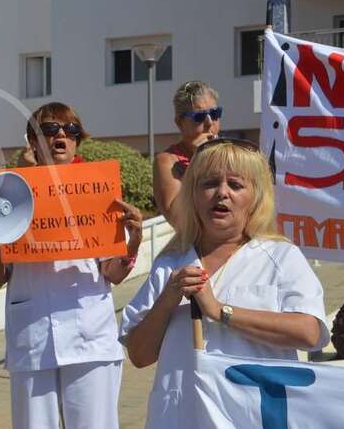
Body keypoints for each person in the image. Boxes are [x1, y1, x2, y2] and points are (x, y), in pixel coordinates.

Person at [121, 138, 329, 429]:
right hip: (182, 417)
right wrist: (168, 300)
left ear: (255, 196)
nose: (221, 193)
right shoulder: (170, 262)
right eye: (209, 184)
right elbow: (140, 355)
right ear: (192, 194)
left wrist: (221, 312)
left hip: (254, 417)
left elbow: (310, 333)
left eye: (236, 185)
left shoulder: (281, 257)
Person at [0, 102, 143, 429]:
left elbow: (113, 273)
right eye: (50, 129)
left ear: (76, 142)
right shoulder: (9, 196)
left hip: (90, 335)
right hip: (33, 338)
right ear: (32, 141)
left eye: (70, 131)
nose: (61, 136)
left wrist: (135, 239)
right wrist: (2, 235)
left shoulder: (98, 193)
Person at [153, 81, 222, 226]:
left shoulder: (231, 154)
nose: (210, 123)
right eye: (199, 117)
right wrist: (199, 161)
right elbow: (177, 218)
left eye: (215, 114)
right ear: (179, 122)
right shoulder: (167, 160)